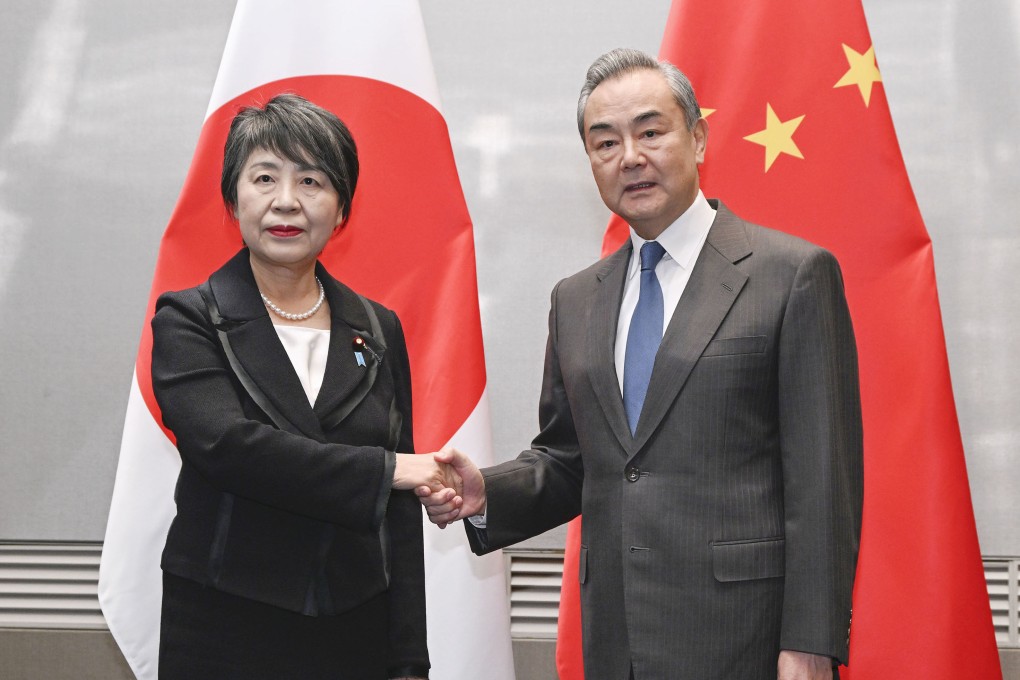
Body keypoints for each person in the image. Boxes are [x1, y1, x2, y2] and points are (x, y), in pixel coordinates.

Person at [419, 48, 864, 680]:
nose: (630, 156)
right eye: (605, 143)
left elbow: (824, 483)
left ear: (698, 137)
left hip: (748, 638)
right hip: (618, 639)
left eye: (651, 132)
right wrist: (487, 491)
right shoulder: (576, 299)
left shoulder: (790, 276)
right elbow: (572, 460)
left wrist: (811, 644)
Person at [151, 94, 446, 679]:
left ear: (341, 210)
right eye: (265, 177)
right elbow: (228, 448)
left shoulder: (377, 327)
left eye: (311, 180)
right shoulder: (189, 319)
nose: (286, 201)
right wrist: (387, 469)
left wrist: (410, 659)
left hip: (355, 632)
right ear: (233, 199)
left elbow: (398, 519)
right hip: (225, 631)